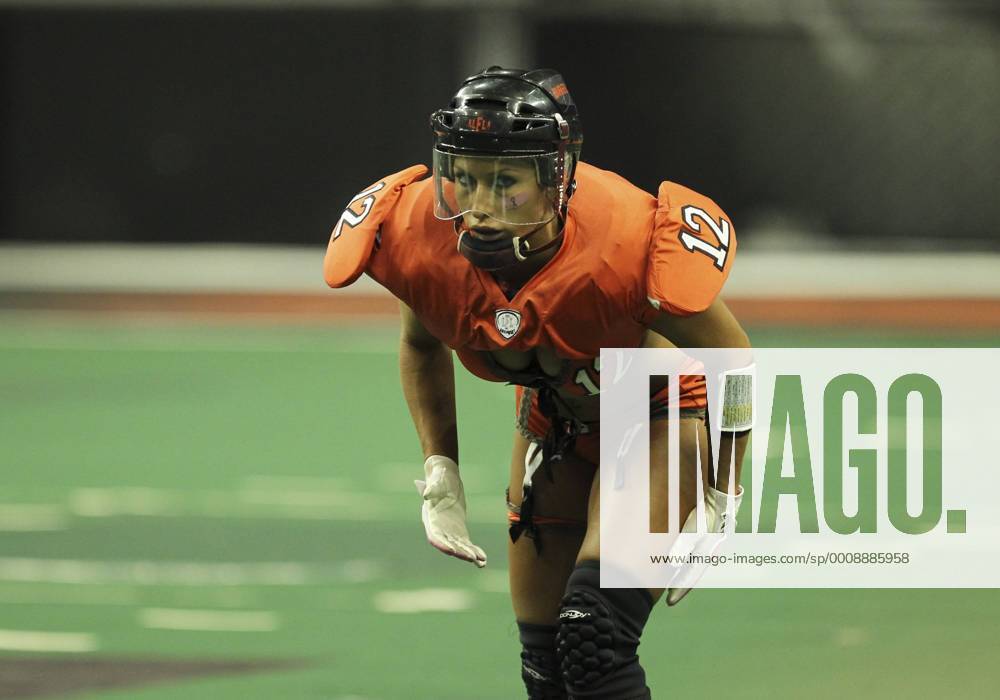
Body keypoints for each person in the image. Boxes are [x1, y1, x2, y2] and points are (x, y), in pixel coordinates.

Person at [324, 67, 752, 700]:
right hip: (553, 420)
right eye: (464, 179)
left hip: (653, 405)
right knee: (546, 668)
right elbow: (420, 343)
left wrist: (724, 489)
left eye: (505, 183)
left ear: (557, 177)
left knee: (593, 635)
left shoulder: (626, 243)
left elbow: (734, 362)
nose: (480, 207)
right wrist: (440, 467)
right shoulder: (419, 238)